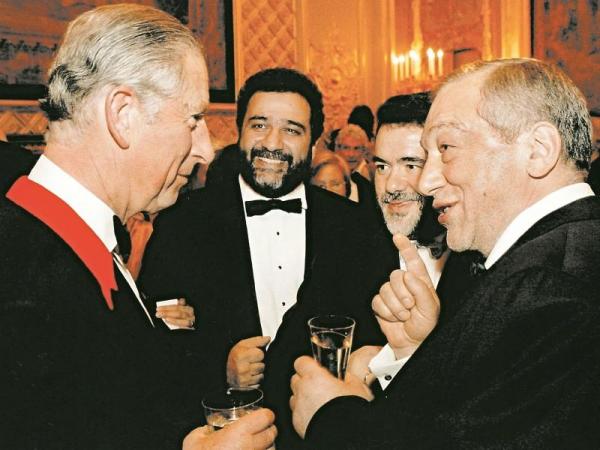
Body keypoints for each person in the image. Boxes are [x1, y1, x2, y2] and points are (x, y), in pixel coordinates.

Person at [0, 5, 276, 449]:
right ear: (122, 114)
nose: (205, 150)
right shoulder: (21, 276)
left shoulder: (73, 244)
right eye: (193, 120)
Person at [290, 58, 600, 448]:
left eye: (446, 148)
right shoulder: (554, 261)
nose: (426, 181)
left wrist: (330, 417)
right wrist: (414, 352)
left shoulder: (553, 288)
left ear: (537, 150)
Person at [139, 67, 387, 449]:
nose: (272, 142)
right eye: (259, 125)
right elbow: (154, 344)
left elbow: (373, 334)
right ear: (239, 131)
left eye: (292, 129)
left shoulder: (355, 226)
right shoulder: (183, 224)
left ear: (313, 143)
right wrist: (220, 367)